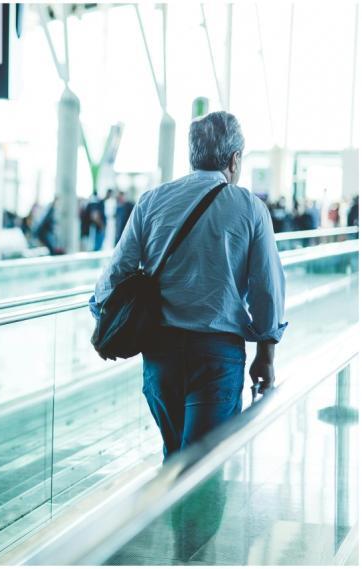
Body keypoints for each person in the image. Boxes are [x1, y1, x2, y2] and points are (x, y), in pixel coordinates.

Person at [90, 111, 286, 460]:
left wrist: (104, 315)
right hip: (217, 353)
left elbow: (113, 275)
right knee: (202, 469)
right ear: (234, 159)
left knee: (176, 457)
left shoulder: (152, 200)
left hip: (160, 351)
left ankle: (175, 514)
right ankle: (191, 516)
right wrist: (266, 355)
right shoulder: (249, 208)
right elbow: (266, 289)